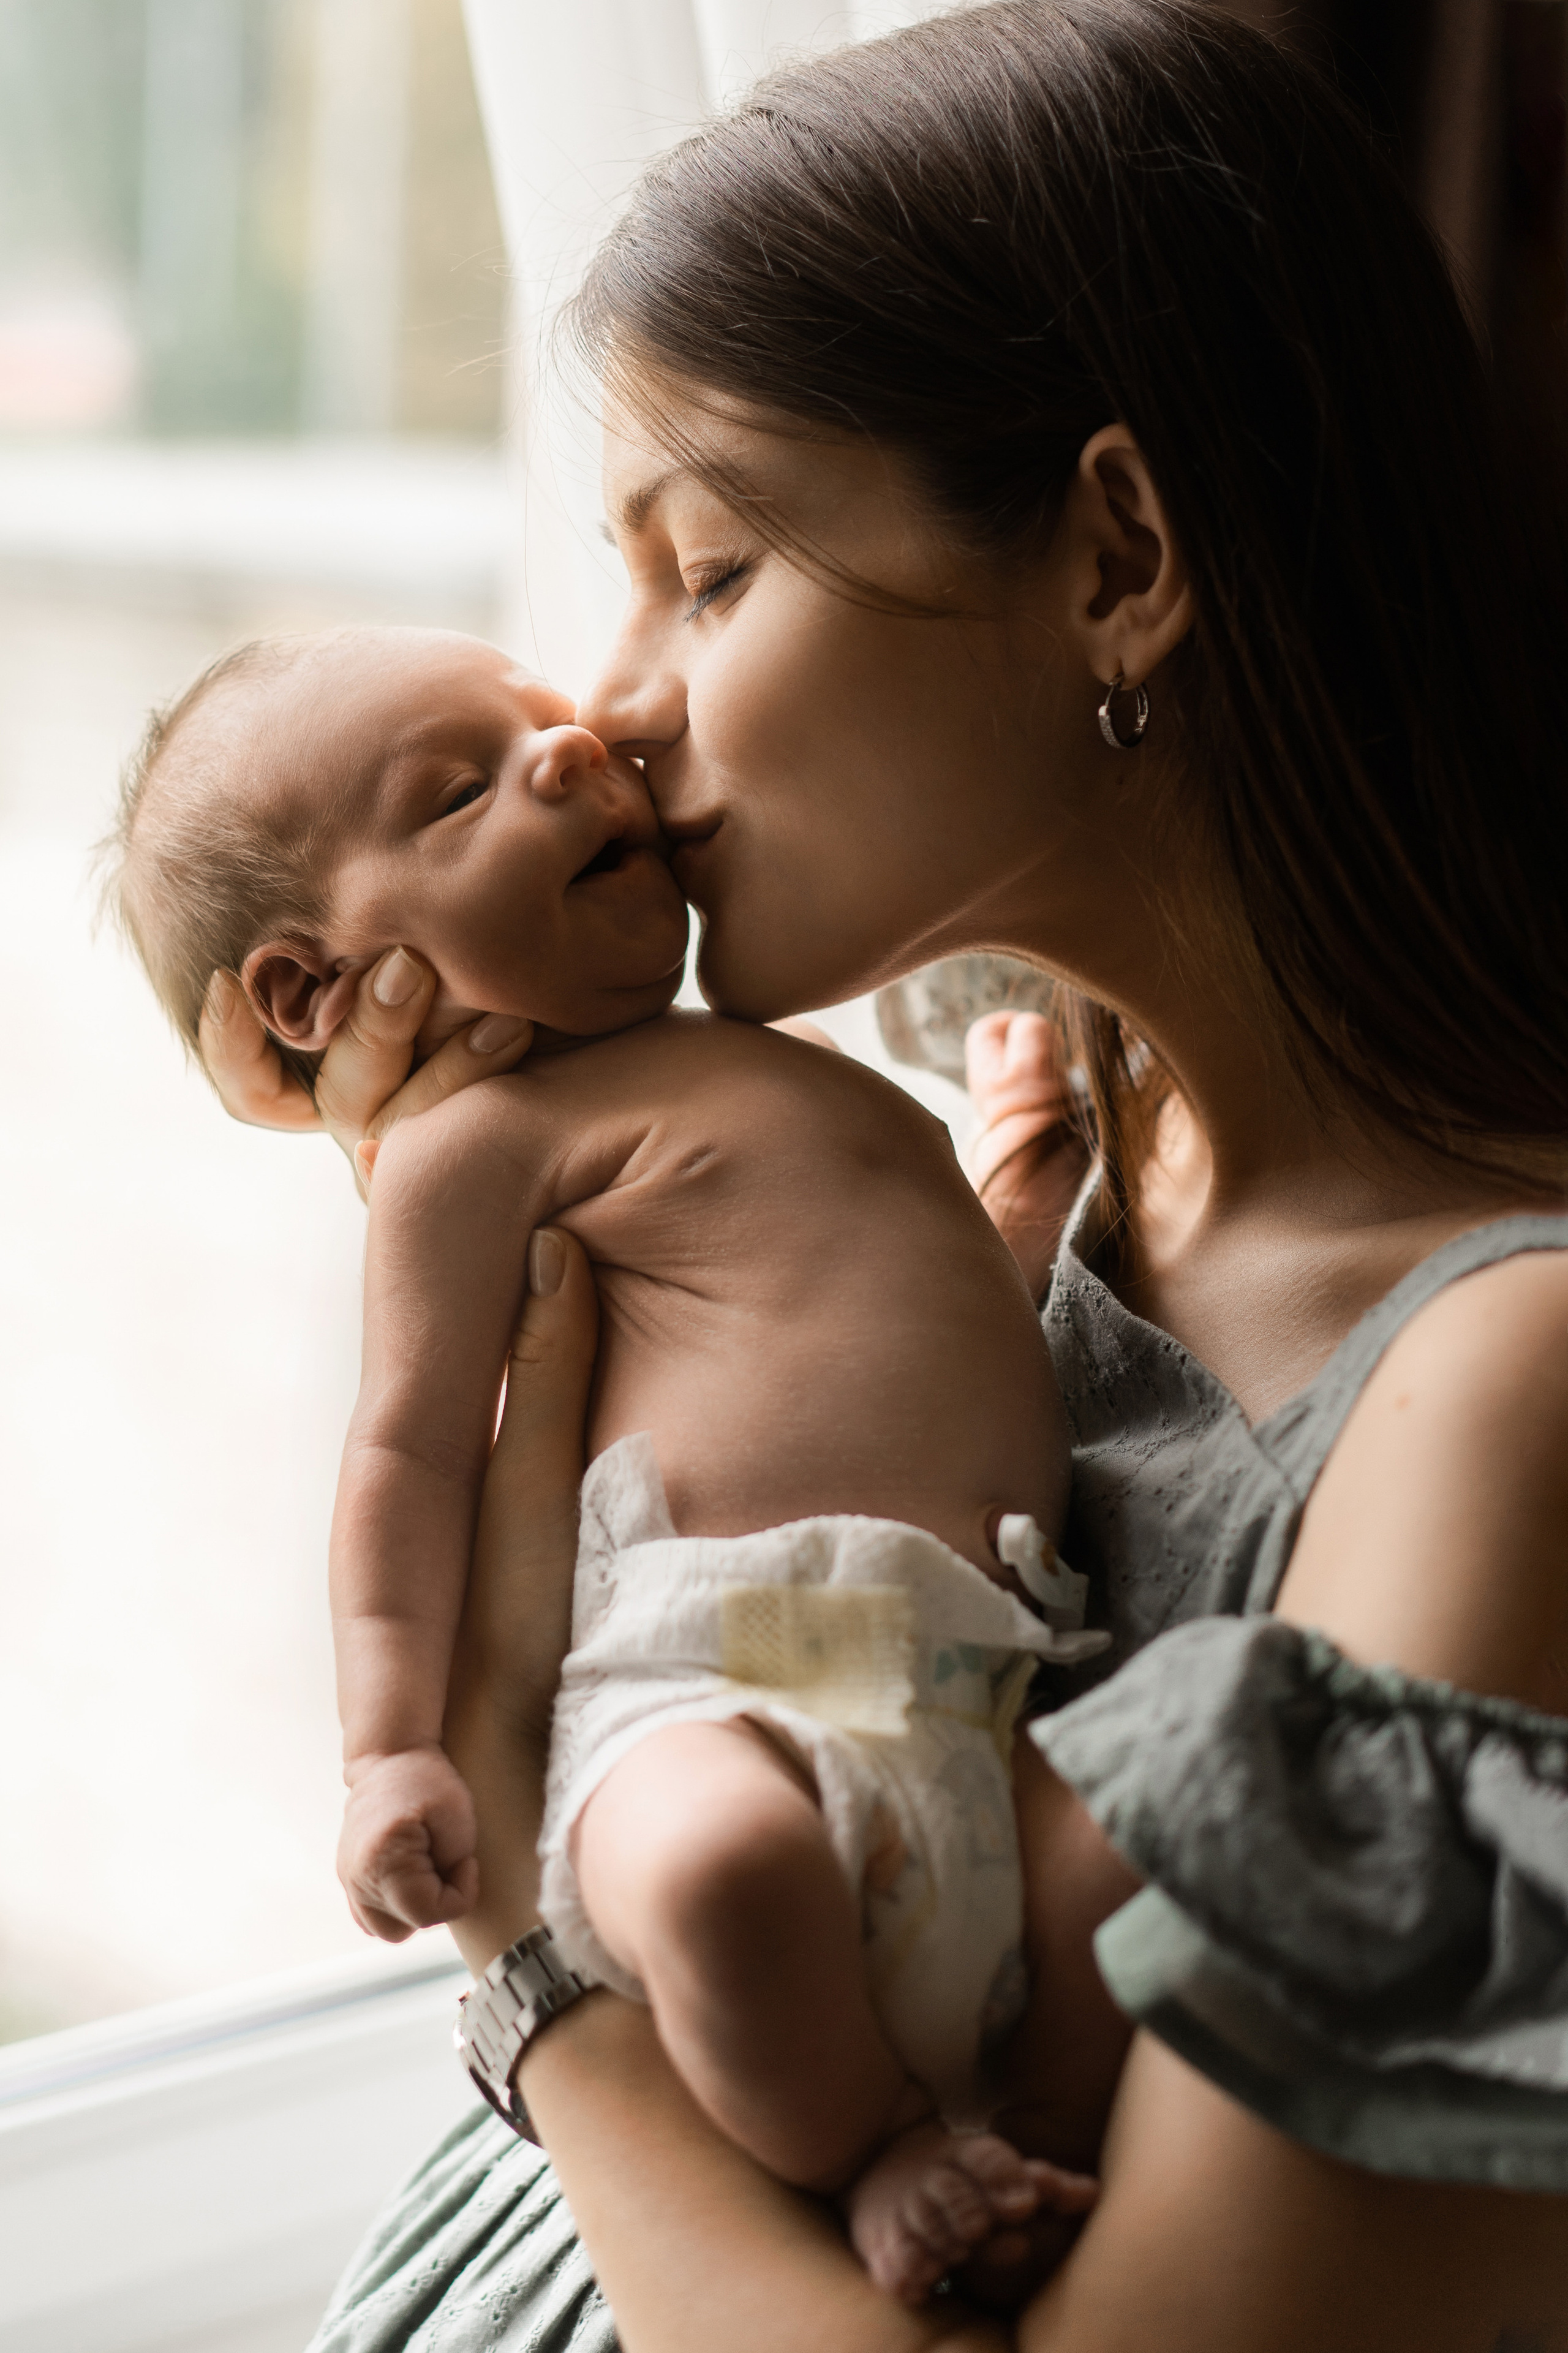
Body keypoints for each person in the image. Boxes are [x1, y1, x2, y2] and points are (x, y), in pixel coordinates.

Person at [195, 2, 1568, 2346]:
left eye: (710, 569)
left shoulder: (1498, 1392)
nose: (605, 706)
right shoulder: (1067, 1149)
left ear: (1122, 552)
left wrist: (532, 1964)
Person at [107, 622, 1107, 2300]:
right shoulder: (469, 1148)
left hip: (978, 1688)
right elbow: (407, 1456)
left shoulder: (761, 1059)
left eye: (543, 724)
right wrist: (385, 1753)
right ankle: (875, 2155)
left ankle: (1013, 2135)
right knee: (722, 1871)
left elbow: (922, 1327)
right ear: (316, 987)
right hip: (707, 1690)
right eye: (459, 789)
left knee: (1187, 1812)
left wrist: (1025, 1172)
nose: (572, 751)